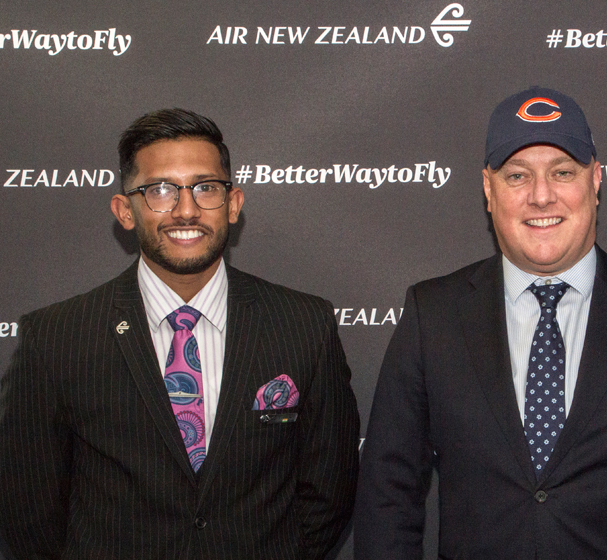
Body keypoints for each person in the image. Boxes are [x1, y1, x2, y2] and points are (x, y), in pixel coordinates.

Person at [355, 87, 607, 559]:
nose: (541, 195)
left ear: (596, 180)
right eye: (517, 176)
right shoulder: (432, 315)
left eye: (562, 172)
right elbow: (387, 497)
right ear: (488, 190)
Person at [0, 108, 360, 559]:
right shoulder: (54, 338)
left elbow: (330, 488)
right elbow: (30, 511)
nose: (186, 209)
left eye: (205, 188)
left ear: (233, 204)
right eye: (161, 190)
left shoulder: (305, 324)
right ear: (124, 211)